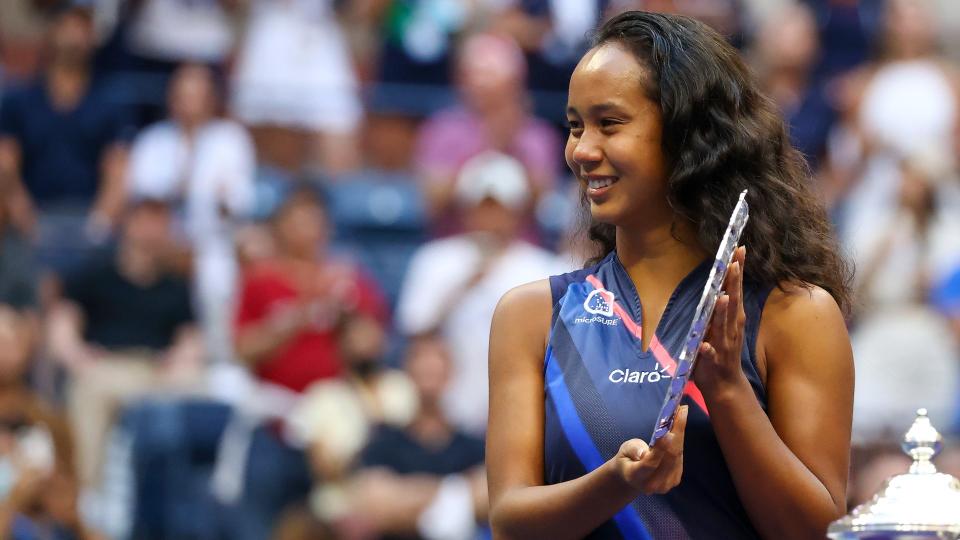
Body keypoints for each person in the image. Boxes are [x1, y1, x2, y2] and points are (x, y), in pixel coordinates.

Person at [487, 11, 854, 540]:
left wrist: (728, 391)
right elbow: (509, 522)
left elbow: (819, 531)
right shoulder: (530, 314)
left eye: (609, 123)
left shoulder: (795, 314)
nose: (582, 151)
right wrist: (619, 480)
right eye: (574, 126)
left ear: (687, 135)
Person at [396, 151, 564, 436]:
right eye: (482, 207)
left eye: (499, 208)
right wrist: (463, 286)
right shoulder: (434, 259)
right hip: (447, 415)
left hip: (521, 409)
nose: (491, 218)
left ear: (518, 211)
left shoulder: (546, 267)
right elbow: (415, 331)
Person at [47, 199, 201, 490]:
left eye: (160, 223)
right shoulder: (94, 275)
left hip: (156, 371)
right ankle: (85, 493)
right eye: (146, 221)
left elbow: (191, 338)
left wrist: (180, 360)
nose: (152, 231)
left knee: (201, 388)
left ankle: (179, 500)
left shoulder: (176, 286)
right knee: (91, 389)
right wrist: (78, 357)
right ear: (128, 225)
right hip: (107, 365)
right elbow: (62, 325)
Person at [127, 62, 256, 365]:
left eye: (197, 94)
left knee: (218, 272)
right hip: (158, 245)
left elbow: (238, 207)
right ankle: (145, 350)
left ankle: (219, 358)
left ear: (212, 98)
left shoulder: (230, 139)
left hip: (211, 245)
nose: (189, 102)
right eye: (183, 93)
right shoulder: (153, 140)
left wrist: (221, 202)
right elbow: (144, 202)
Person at [0, 5, 131, 271]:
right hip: (34, 218)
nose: (74, 37)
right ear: (52, 32)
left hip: (88, 219)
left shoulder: (109, 103)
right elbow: (6, 168)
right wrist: (28, 222)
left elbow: (117, 170)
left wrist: (99, 225)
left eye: (82, 28)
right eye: (67, 26)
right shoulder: (19, 100)